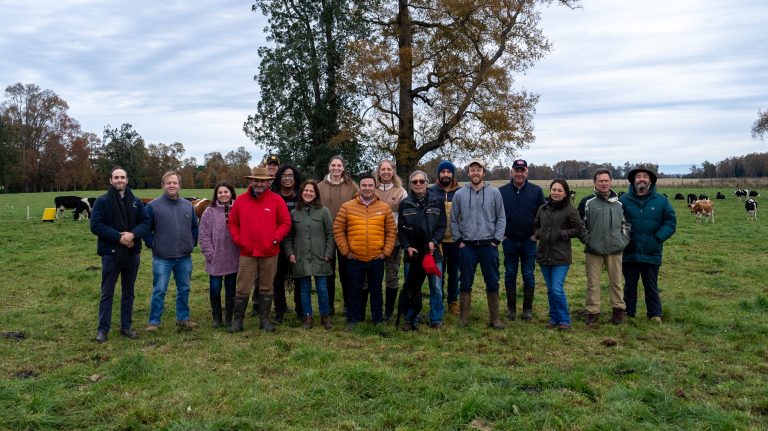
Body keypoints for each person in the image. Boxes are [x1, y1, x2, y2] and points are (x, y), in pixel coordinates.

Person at [228, 166, 292, 332]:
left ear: (268, 182)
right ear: (251, 181)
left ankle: (264, 320)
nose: (259, 184)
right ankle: (238, 321)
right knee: (242, 287)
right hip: (247, 252)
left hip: (270, 252)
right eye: (256, 180)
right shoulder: (241, 201)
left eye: (263, 181)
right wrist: (238, 239)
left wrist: (275, 238)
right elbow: (232, 223)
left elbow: (285, 222)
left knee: (266, 287)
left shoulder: (277, 200)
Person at [90, 167, 150, 343]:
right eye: (116, 177)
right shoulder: (102, 202)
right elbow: (96, 225)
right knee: (107, 291)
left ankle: (126, 327)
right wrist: (119, 237)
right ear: (110, 180)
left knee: (128, 291)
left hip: (132, 253)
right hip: (111, 253)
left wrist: (132, 235)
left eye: (122, 177)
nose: (119, 180)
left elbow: (145, 222)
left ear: (127, 180)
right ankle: (103, 330)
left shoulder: (136, 202)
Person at [333, 173, 396, 327]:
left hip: (376, 257)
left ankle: (377, 319)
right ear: (359, 187)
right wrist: (346, 252)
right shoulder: (347, 207)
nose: (367, 188)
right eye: (364, 186)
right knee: (354, 290)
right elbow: (338, 229)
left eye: (370, 185)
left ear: (374, 187)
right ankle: (353, 319)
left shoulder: (384, 207)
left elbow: (391, 231)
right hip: (355, 257)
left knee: (376, 290)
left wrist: (385, 253)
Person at [450, 158, 506, 329]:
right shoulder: (460, 194)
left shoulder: (494, 193)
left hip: (489, 245)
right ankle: (464, 318)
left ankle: (495, 319)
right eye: (472, 170)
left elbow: (501, 218)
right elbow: (453, 220)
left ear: (483, 172)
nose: (475, 173)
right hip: (467, 246)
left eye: (478, 169)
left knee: (492, 281)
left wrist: (496, 240)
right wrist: (459, 241)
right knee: (465, 282)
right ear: (468, 172)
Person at [619, 168, 676, 322]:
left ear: (651, 181)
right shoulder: (623, 200)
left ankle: (655, 314)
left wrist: (657, 238)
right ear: (633, 181)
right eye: (638, 177)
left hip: (651, 251)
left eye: (645, 177)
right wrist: (624, 240)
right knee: (629, 285)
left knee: (651, 285)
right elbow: (617, 223)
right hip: (630, 250)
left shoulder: (661, 200)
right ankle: (627, 312)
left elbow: (670, 222)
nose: (642, 179)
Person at [144, 171, 199, 332]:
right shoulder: (153, 206)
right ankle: (154, 321)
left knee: (184, 288)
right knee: (159, 290)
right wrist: (152, 244)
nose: (172, 185)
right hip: (162, 257)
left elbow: (194, 227)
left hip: (184, 257)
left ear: (179, 185)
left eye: (175, 182)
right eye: (168, 183)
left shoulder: (188, 205)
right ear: (163, 185)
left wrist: (191, 243)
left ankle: (183, 318)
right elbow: (146, 229)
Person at [577, 169, 630, 325]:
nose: (604, 183)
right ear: (595, 183)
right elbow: (579, 225)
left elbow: (626, 224)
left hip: (615, 249)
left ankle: (618, 311)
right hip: (594, 250)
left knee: (617, 281)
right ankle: (593, 312)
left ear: (611, 182)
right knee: (593, 283)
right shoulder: (587, 202)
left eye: (606, 180)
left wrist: (623, 240)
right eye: (600, 181)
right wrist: (587, 240)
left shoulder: (619, 203)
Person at [533, 179, 585, 331]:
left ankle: (564, 319)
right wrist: (538, 233)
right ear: (550, 191)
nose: (556, 193)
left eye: (559, 190)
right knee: (550, 289)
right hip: (544, 254)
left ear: (565, 193)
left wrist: (563, 233)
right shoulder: (543, 209)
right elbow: (536, 225)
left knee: (556, 288)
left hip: (561, 256)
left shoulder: (570, 210)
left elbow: (579, 228)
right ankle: (553, 317)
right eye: (554, 190)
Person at [398, 170, 446, 330]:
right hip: (413, 253)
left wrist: (434, 241)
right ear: (410, 184)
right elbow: (401, 229)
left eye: (421, 181)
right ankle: (410, 318)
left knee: (436, 287)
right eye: (414, 182)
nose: (418, 184)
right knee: (411, 287)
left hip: (432, 252)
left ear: (427, 182)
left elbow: (441, 225)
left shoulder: (436, 201)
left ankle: (436, 319)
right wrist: (406, 246)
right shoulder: (405, 203)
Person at [284, 180, 335, 330]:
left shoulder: (324, 211)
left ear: (316, 194)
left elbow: (331, 234)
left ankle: (325, 316)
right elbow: (288, 237)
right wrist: (290, 254)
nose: (308, 193)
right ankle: (307, 316)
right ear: (301, 193)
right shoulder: (294, 213)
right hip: (300, 256)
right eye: (306, 190)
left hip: (320, 256)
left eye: (311, 191)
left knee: (322, 289)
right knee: (304, 288)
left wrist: (328, 254)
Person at [499, 159, 546, 321]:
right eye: (516, 170)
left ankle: (527, 310)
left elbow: (544, 214)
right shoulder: (502, 191)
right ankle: (511, 309)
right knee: (510, 273)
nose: (519, 173)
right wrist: (501, 234)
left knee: (528, 274)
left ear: (527, 172)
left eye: (522, 170)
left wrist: (536, 234)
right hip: (509, 240)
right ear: (511, 172)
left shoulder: (536, 191)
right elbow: (496, 214)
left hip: (529, 241)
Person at [318, 155, 359, 316]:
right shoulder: (320, 186)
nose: (336, 168)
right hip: (325, 234)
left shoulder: (352, 186)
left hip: (346, 234)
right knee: (328, 272)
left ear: (343, 168)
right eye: (333, 165)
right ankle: (328, 306)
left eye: (339, 166)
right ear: (329, 167)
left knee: (346, 272)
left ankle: (348, 305)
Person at [198, 181, 240, 328]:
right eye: (220, 192)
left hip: (233, 258)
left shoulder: (238, 209)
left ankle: (229, 317)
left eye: (226, 192)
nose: (223, 195)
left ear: (231, 193)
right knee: (215, 289)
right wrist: (211, 254)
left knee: (231, 290)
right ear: (216, 195)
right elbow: (203, 236)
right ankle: (217, 317)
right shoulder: (209, 212)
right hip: (215, 259)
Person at [268, 164, 304, 323]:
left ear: (295, 179)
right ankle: (279, 311)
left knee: (299, 277)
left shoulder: (301, 198)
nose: (288, 178)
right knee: (278, 279)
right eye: (284, 175)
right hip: (277, 243)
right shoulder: (272, 196)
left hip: (298, 243)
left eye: (291, 175)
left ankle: (301, 310)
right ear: (279, 178)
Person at [374, 159, 408, 321]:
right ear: (378, 172)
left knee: (392, 276)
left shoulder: (401, 191)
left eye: (389, 169)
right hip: (374, 240)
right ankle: (376, 309)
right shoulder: (371, 189)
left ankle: (388, 311)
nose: (386, 172)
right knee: (373, 276)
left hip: (394, 240)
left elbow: (405, 217)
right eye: (383, 169)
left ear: (393, 172)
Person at [428, 160, 461, 315]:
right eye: (443, 172)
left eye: (449, 172)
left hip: (456, 241)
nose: (446, 174)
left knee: (454, 273)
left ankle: (453, 301)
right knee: (438, 273)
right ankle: (438, 299)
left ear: (453, 174)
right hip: (438, 241)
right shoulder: (431, 192)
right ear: (439, 174)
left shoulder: (460, 192)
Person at [251, 154, 281, 309]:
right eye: (270, 165)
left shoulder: (280, 183)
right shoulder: (258, 181)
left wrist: (276, 237)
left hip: (276, 235)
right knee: (258, 275)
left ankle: (277, 304)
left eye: (275, 165)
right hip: (260, 238)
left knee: (275, 274)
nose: (272, 167)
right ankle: (257, 303)